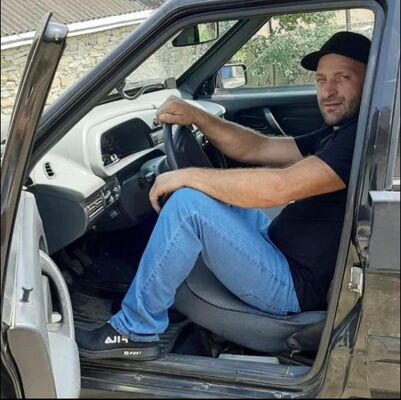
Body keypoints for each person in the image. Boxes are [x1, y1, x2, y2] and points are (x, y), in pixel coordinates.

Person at [76, 31, 371, 360]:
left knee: (188, 205)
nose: (327, 91)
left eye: (342, 78)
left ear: (371, 78)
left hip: (293, 284)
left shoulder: (361, 140)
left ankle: (134, 329)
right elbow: (259, 147)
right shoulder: (341, 132)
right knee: (213, 197)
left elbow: (282, 186)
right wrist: (198, 117)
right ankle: (159, 295)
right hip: (278, 244)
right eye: (321, 80)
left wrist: (188, 175)